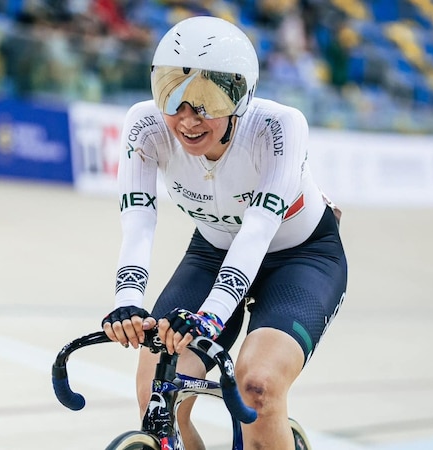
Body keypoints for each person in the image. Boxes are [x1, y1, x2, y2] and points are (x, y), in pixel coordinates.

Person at [102, 15, 348, 450]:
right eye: (171, 94)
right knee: (156, 392)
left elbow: (257, 231)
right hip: (214, 250)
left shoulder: (278, 127)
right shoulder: (145, 126)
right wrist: (126, 303)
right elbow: (138, 222)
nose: (187, 118)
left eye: (207, 100)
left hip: (301, 256)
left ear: (242, 97)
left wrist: (212, 315)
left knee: (257, 388)